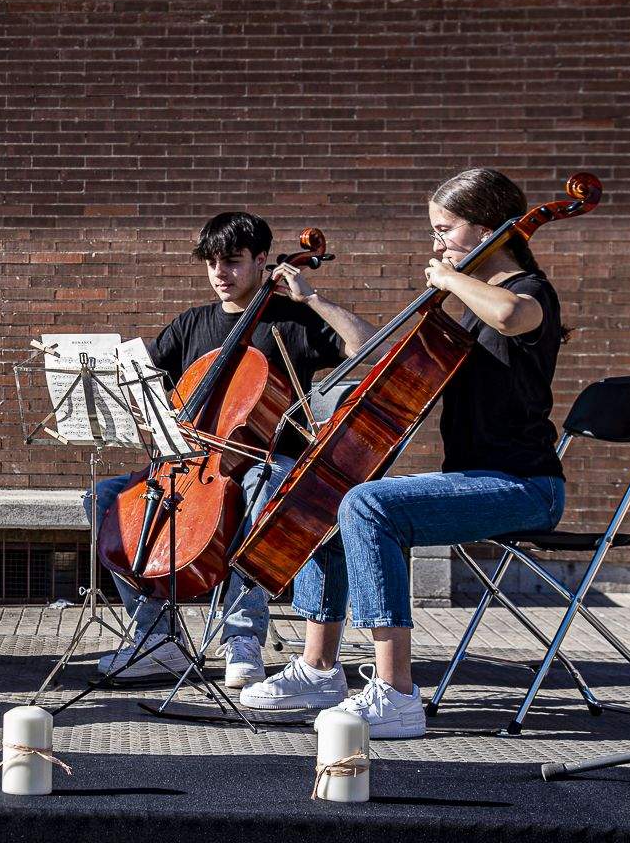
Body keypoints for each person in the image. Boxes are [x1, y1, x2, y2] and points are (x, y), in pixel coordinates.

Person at [239, 169, 569, 738]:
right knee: (329, 498)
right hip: (472, 480)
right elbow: (380, 350)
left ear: (490, 230)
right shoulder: (468, 310)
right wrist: (314, 299)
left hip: (525, 487)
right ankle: (319, 669)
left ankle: (395, 693)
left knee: (369, 506)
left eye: (445, 230)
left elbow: (513, 316)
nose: (436, 245)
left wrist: (449, 278)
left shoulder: (530, 296)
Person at [90, 212, 375, 685]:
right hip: (190, 464)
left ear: (263, 262)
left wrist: (313, 297)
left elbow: (370, 348)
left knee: (269, 485)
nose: (220, 274)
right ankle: (157, 639)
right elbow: (140, 380)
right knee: (103, 499)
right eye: (212, 263)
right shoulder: (191, 324)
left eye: (233, 262)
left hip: (266, 459)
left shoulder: (293, 321)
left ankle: (242, 636)